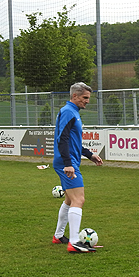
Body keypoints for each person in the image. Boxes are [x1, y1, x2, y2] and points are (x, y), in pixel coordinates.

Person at [52, 82, 104, 253]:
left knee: (69, 200)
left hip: (69, 162)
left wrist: (90, 155)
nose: (87, 101)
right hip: (67, 164)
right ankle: (74, 242)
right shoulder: (69, 112)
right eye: (85, 98)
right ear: (74, 96)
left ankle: (59, 236)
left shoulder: (72, 112)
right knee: (78, 200)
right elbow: (62, 139)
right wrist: (68, 163)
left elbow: (74, 142)